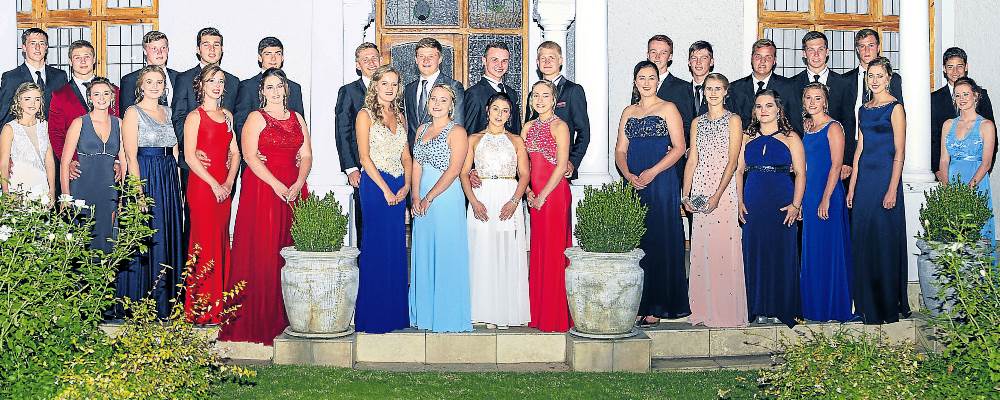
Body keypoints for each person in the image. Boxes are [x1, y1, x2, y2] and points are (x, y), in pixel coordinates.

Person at [221, 68, 312, 345]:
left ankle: (290, 315)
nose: (274, 92)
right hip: (264, 189)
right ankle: (261, 317)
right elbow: (250, 156)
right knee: (265, 249)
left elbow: (307, 154)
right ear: (262, 91)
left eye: (279, 86)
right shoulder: (255, 118)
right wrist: (276, 185)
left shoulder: (297, 118)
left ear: (286, 89)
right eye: (269, 87)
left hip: (294, 188)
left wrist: (299, 182)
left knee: (291, 250)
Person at [614, 61, 689, 326]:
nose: (646, 82)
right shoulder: (628, 111)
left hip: (662, 181)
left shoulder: (668, 108)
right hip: (633, 183)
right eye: (641, 78)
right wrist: (627, 174)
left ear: (658, 81)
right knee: (638, 241)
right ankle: (639, 303)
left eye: (651, 77)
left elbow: (679, 148)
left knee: (660, 239)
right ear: (635, 82)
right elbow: (620, 150)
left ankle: (658, 305)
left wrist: (653, 172)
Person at [847, 57, 910, 325]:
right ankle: (865, 305)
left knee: (883, 240)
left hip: (885, 179)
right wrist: (852, 187)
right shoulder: (863, 109)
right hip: (864, 183)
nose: (874, 80)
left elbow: (900, 152)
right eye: (870, 76)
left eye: (879, 76)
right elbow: (859, 150)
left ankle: (885, 306)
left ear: (888, 78)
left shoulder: (896, 108)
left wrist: (892, 188)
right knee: (863, 241)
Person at [119, 65, 184, 320]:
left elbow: (176, 152)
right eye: (149, 81)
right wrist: (138, 193)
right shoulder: (132, 112)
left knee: (167, 233)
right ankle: (142, 304)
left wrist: (179, 189)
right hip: (146, 174)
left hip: (168, 176)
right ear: (141, 86)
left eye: (159, 82)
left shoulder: (169, 112)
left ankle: (166, 303)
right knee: (148, 236)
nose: (155, 86)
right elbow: (130, 157)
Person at [460, 92, 530, 328]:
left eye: (505, 111)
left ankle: (505, 312)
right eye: (496, 109)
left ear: (510, 115)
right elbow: (463, 173)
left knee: (506, 251)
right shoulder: (474, 139)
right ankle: (480, 310)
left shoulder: (516, 141)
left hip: (508, 197)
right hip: (482, 197)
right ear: (487, 110)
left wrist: (514, 201)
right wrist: (473, 202)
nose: (500, 114)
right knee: (481, 251)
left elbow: (525, 174)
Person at [683, 73, 747, 328]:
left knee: (723, 250)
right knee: (702, 250)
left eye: (718, 88)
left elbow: (733, 162)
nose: (712, 93)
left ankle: (726, 312)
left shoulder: (734, 120)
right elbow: (692, 159)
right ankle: (703, 310)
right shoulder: (696, 123)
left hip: (724, 190)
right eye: (709, 88)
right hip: (700, 187)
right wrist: (685, 194)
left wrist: (718, 195)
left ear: (726, 92)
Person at [737, 89, 805, 327]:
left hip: (781, 201)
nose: (763, 110)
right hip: (754, 200)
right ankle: (757, 307)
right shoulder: (746, 137)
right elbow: (738, 171)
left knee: (781, 252)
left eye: (768, 105)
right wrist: (739, 201)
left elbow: (801, 173)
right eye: (759, 106)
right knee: (755, 252)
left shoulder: (791, 137)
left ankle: (780, 307)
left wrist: (796, 204)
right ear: (754, 111)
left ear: (778, 109)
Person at [180, 64, 241, 325]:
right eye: (211, 80)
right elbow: (189, 156)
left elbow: (235, 152)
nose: (216, 85)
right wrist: (215, 184)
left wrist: (228, 182)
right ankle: (201, 308)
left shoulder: (227, 115)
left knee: (220, 241)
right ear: (201, 85)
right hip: (203, 187)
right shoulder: (195, 116)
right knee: (203, 244)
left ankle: (220, 305)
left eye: (220, 81)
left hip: (224, 187)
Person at [353, 65, 411, 334]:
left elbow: (406, 156)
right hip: (376, 187)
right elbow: (364, 158)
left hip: (399, 185)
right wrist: (386, 189)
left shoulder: (400, 116)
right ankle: (373, 316)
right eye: (384, 83)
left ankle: (395, 315)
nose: (389, 88)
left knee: (395, 248)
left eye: (394, 84)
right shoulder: (364, 115)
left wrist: (407, 185)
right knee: (376, 247)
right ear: (375, 85)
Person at [409, 83, 471, 333]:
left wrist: (429, 197)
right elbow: (416, 165)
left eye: (443, 100)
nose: (436, 103)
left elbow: (454, 170)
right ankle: (425, 315)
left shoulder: (457, 132)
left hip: (445, 198)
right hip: (422, 197)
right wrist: (415, 196)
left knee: (446, 253)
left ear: (451, 105)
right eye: (433, 98)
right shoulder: (421, 129)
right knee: (424, 253)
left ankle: (447, 316)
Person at [799, 82, 853, 322]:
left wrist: (826, 198)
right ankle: (814, 306)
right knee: (813, 250)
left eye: (817, 98)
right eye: (808, 98)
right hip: (810, 194)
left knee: (830, 250)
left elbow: (836, 165)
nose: (813, 102)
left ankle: (833, 305)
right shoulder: (808, 128)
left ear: (825, 101)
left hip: (828, 195)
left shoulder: (834, 127)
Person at [523, 80, 573, 332]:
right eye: (536, 96)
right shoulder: (527, 127)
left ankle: (555, 315)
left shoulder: (560, 126)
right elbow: (522, 165)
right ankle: (538, 312)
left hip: (555, 195)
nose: (540, 100)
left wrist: (542, 195)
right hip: (535, 195)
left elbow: (562, 165)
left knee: (554, 252)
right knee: (539, 250)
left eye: (545, 95)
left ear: (554, 100)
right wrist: (529, 192)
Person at [59, 77, 124, 253]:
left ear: (112, 96)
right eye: (96, 94)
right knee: (80, 243)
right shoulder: (79, 122)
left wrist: (124, 195)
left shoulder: (119, 123)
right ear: (90, 97)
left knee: (106, 242)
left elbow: (125, 161)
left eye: (106, 93)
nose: (101, 98)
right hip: (82, 189)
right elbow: (65, 162)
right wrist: (65, 197)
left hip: (108, 191)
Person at [49, 40, 122, 196]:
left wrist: (117, 160)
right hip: (78, 169)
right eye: (77, 57)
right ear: (70, 61)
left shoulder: (114, 91)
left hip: (109, 169)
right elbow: (56, 133)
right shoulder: (60, 95)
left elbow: (119, 131)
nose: (83, 61)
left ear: (94, 59)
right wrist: (69, 162)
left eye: (87, 56)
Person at [172, 28, 239, 170]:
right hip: (195, 159)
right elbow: (178, 117)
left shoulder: (233, 81)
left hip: (225, 160)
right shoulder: (184, 79)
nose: (212, 49)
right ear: (198, 49)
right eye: (206, 44)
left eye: (216, 44)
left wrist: (233, 151)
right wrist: (191, 149)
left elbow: (236, 120)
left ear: (222, 49)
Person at [939, 77, 996, 242]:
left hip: (976, 183)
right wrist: (947, 188)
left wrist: (968, 189)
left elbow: (986, 163)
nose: (962, 99)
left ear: (975, 95)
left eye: (965, 94)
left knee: (977, 235)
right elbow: (944, 160)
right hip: (952, 183)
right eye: (957, 95)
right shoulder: (948, 124)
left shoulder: (986, 125)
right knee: (952, 235)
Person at [335, 42, 381, 245]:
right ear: (358, 65)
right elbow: (342, 131)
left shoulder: (392, 88)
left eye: (374, 58)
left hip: (390, 167)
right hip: (362, 170)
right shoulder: (348, 91)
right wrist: (351, 168)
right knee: (366, 223)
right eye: (365, 59)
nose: (371, 63)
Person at [840, 28, 904, 167]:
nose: (866, 50)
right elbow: (840, 119)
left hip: (883, 151)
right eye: (862, 46)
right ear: (857, 50)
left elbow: (898, 119)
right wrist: (845, 159)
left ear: (878, 47)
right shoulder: (844, 81)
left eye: (871, 45)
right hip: (851, 150)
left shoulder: (893, 79)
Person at [527, 41, 589, 180]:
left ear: (560, 60)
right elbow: (529, 129)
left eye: (552, 58)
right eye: (543, 58)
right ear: (537, 62)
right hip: (536, 168)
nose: (547, 62)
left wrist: (572, 162)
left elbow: (584, 132)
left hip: (562, 167)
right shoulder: (533, 94)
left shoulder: (573, 90)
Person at [790, 31, 851, 173]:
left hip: (834, 156)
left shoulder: (843, 84)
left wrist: (846, 160)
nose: (816, 54)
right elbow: (789, 122)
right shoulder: (791, 84)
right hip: (802, 157)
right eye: (811, 50)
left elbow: (849, 122)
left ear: (827, 52)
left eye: (820, 49)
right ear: (804, 53)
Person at [932, 47, 996, 177]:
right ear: (944, 69)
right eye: (950, 67)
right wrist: (939, 173)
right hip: (945, 174)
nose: (955, 71)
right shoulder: (934, 99)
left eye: (959, 66)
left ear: (966, 67)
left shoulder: (981, 95)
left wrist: (983, 172)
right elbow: (933, 139)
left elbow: (992, 138)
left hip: (977, 173)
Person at [234, 37, 304, 138]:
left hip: (290, 146)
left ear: (282, 57)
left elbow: (301, 127)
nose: (273, 58)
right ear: (260, 58)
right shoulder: (247, 87)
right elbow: (240, 124)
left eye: (277, 54)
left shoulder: (294, 88)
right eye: (268, 54)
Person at [403, 38, 465, 146]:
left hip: (442, 152)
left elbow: (458, 125)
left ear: (440, 59)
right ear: (416, 59)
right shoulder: (408, 89)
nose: (426, 60)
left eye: (431, 56)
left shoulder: (454, 86)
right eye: (421, 56)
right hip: (414, 153)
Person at [0, 83, 54, 204]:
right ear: (18, 101)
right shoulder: (9, 128)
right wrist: (5, 193)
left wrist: (52, 190)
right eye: (27, 99)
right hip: (17, 190)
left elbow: (49, 161)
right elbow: (3, 164)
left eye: (37, 99)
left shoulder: (45, 125)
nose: (33, 103)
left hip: (41, 188)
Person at [0, 28, 68, 123]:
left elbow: (66, 110)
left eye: (41, 43)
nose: (37, 47)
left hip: (54, 131)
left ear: (46, 47)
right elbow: (4, 115)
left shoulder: (60, 76)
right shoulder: (11, 77)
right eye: (33, 43)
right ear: (24, 47)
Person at [729, 39, 797, 129]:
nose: (762, 61)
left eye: (768, 57)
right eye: (758, 56)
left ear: (774, 61)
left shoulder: (788, 87)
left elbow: (795, 122)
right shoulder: (735, 88)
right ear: (752, 58)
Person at [463, 41, 521, 135]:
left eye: (504, 61)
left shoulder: (512, 93)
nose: (500, 65)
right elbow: (468, 133)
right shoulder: (474, 94)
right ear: (484, 61)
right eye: (495, 60)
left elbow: (516, 130)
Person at [119, 31, 179, 110]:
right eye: (154, 49)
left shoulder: (180, 78)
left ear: (168, 49)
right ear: (145, 51)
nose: (159, 52)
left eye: (163, 48)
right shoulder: (130, 80)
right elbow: (126, 113)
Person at [648, 35, 694, 136]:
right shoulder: (640, 85)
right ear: (648, 55)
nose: (657, 57)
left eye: (663, 53)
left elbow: (687, 125)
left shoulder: (683, 88)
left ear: (670, 57)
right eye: (653, 52)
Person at [688, 41, 716, 118]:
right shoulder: (681, 91)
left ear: (711, 62)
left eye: (704, 58)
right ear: (689, 62)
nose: (698, 62)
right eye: (694, 58)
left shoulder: (722, 92)